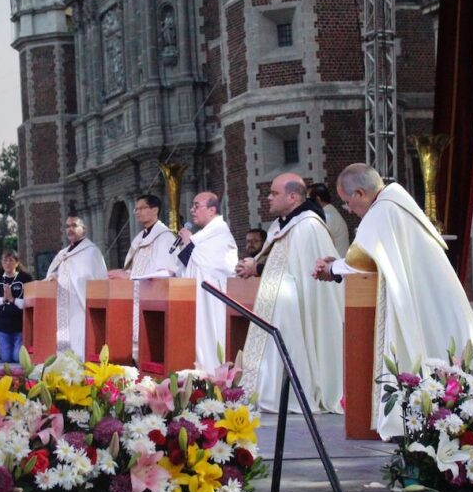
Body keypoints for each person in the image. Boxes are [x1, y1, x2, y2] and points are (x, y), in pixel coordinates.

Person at [313, 163, 473, 438]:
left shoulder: (383, 211)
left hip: (420, 302)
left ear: (360, 193)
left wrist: (332, 269)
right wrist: (337, 264)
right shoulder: (395, 203)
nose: (349, 210)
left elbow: (361, 262)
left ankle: (428, 413)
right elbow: (371, 258)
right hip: (434, 300)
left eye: (348, 203)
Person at [236, 173, 344, 414]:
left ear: (293, 196)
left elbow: (305, 272)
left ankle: (293, 394)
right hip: (277, 302)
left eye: (274, 193)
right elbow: (276, 260)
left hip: (296, 306)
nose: (268, 198)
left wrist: (258, 268)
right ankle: (265, 392)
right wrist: (253, 266)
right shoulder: (280, 224)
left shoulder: (309, 226)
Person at [107, 194, 178, 360]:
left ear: (154, 210)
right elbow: (132, 269)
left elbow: (167, 272)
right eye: (136, 209)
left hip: (153, 303)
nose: (137, 212)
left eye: (141, 208)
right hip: (134, 299)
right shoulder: (139, 239)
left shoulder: (165, 237)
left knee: (149, 349)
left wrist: (129, 277)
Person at [175, 192, 238, 372]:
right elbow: (190, 264)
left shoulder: (220, 232)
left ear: (212, 210)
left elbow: (210, 266)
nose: (191, 210)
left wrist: (188, 242)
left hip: (211, 301)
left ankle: (211, 378)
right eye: (192, 206)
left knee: (209, 342)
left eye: (196, 206)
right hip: (196, 299)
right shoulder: (203, 235)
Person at [45, 216, 108, 358]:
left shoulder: (91, 252)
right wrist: (53, 277)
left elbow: (95, 279)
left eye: (74, 225)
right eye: (67, 226)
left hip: (80, 304)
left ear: (83, 229)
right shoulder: (63, 254)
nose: (70, 229)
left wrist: (68, 279)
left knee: (80, 338)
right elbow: (52, 272)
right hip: (63, 305)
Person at [0, 249, 34, 363]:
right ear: (2, 263)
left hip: (20, 325)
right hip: (3, 326)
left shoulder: (25, 278)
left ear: (17, 263)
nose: (7, 263)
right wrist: (3, 299)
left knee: (17, 358)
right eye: (5, 261)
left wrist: (13, 299)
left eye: (11, 260)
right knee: (6, 358)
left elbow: (30, 302)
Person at [307, 182, 349, 257]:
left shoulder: (327, 217)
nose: (307, 203)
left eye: (308, 200)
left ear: (317, 199)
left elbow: (318, 246)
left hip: (335, 263)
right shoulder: (330, 212)